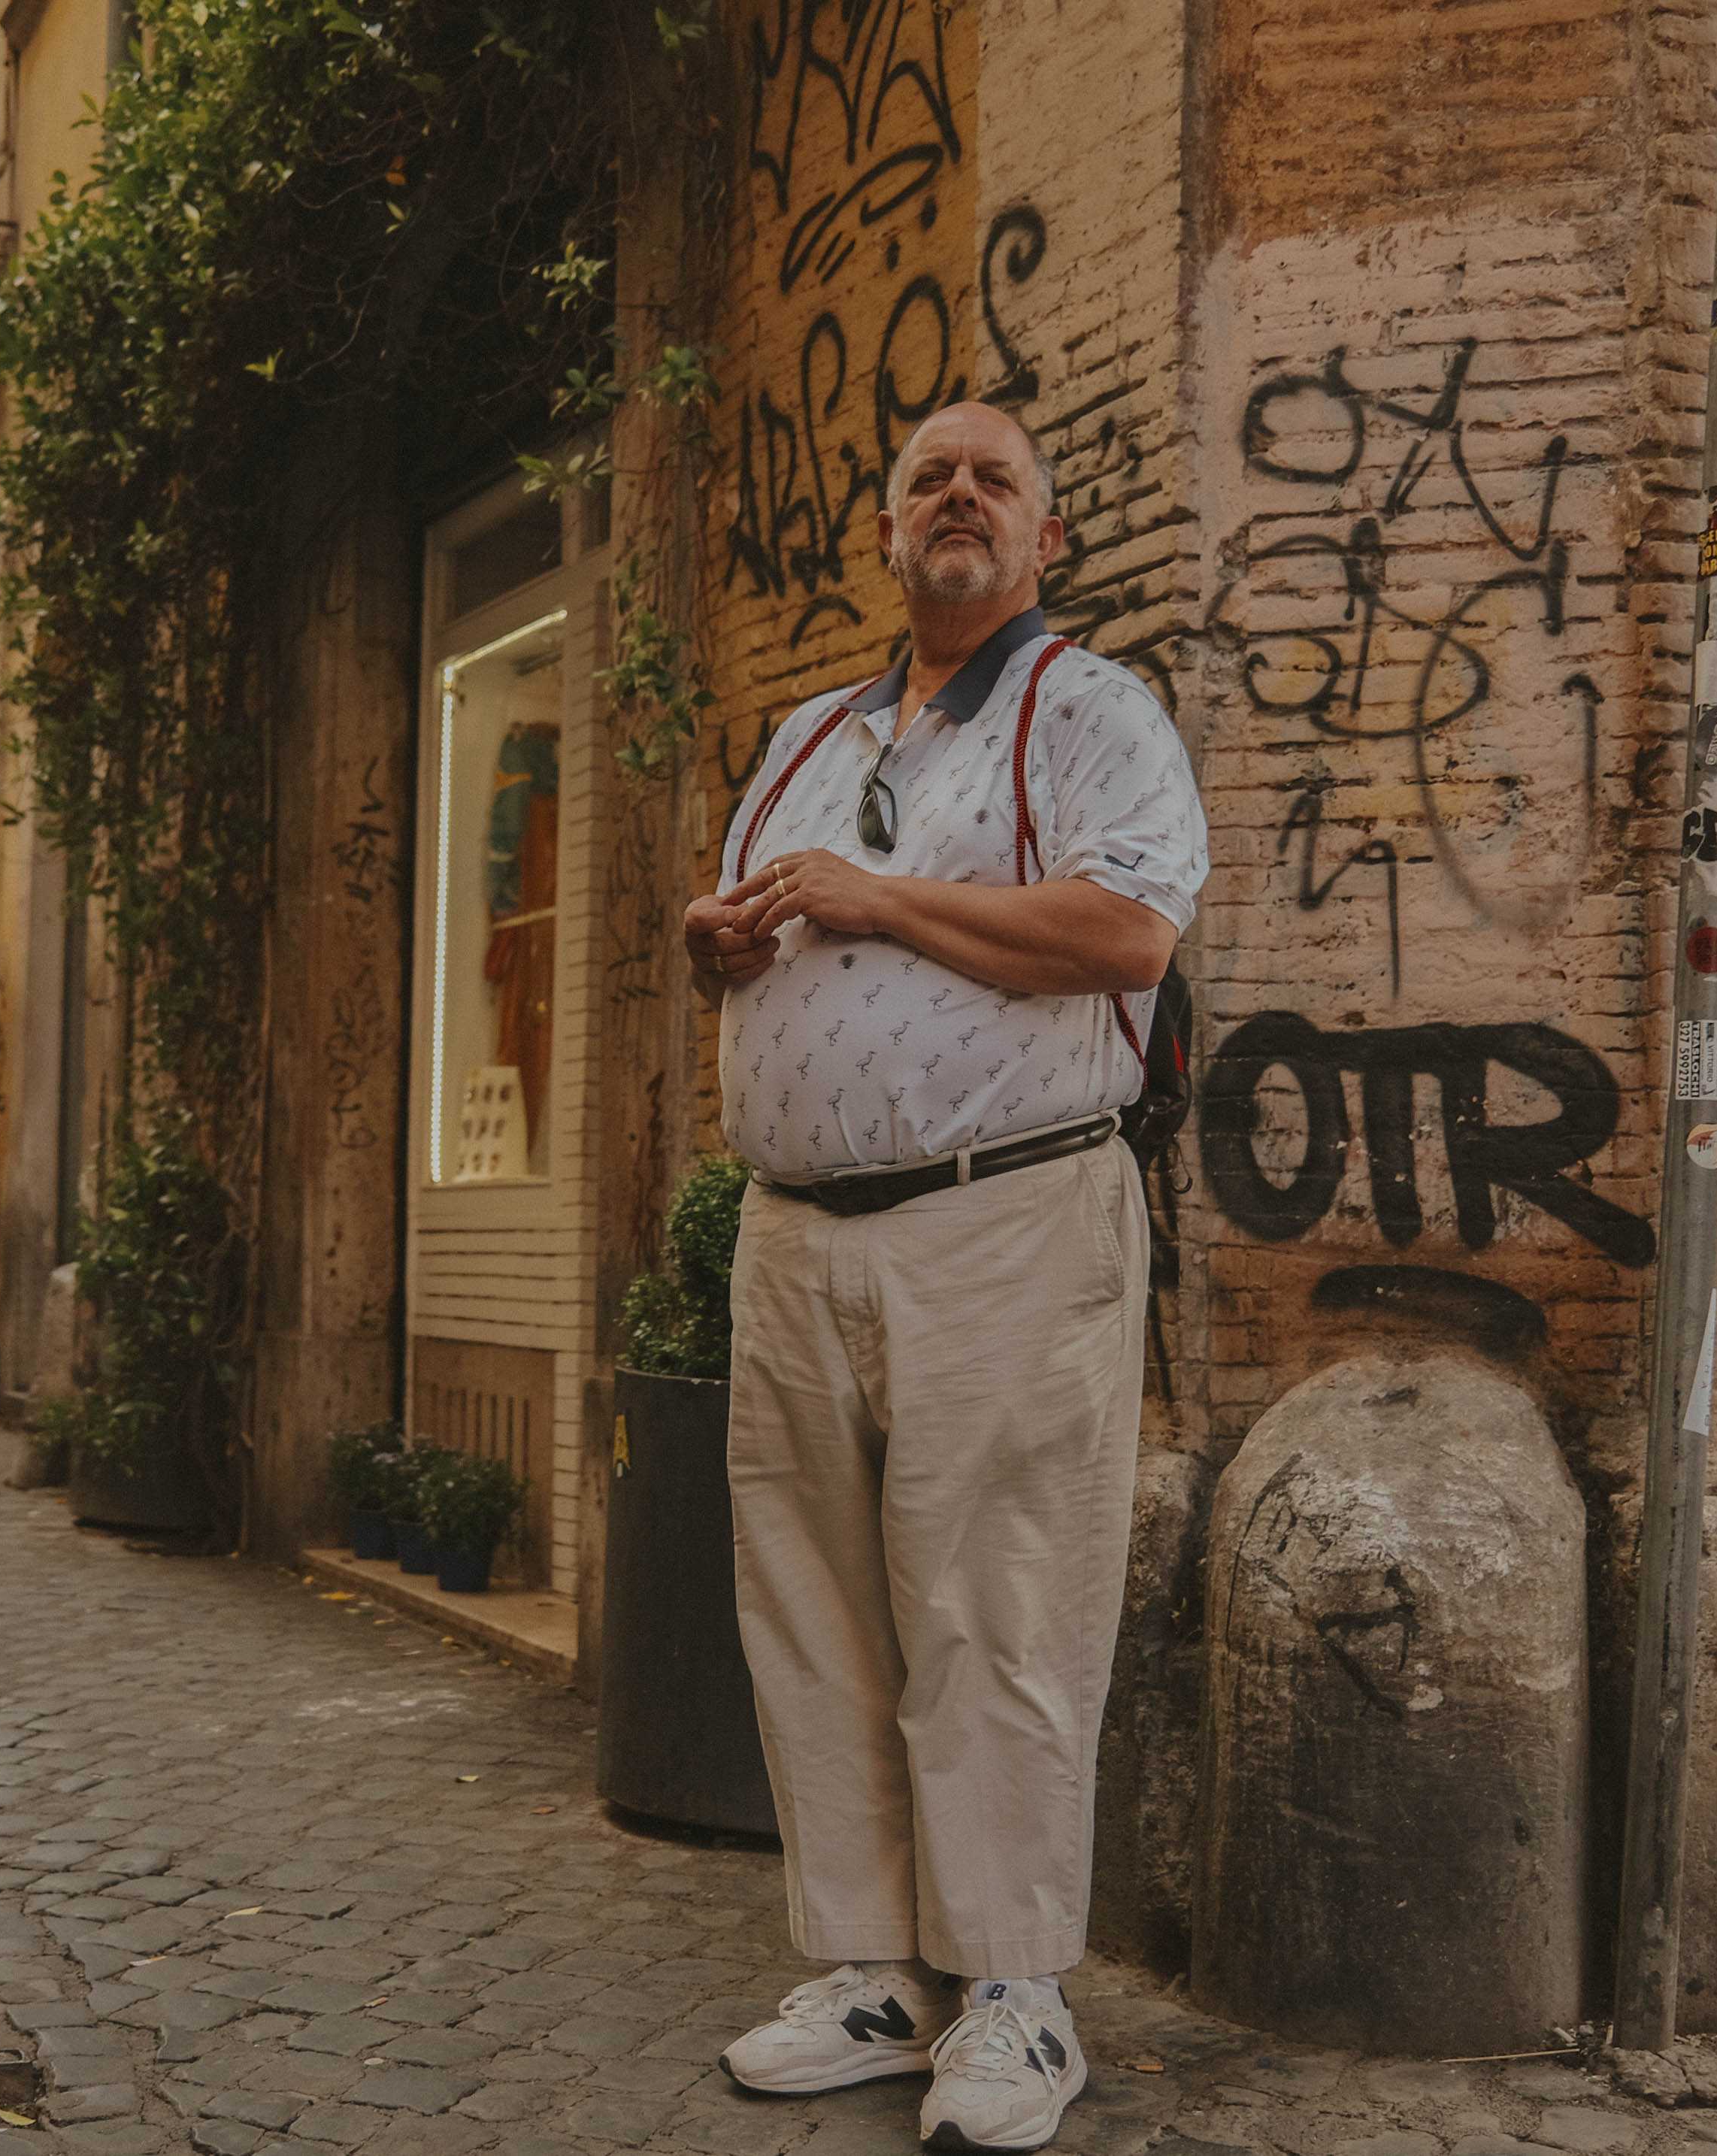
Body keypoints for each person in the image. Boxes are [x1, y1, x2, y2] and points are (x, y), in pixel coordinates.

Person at [683, 401, 1208, 2153]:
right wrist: (722, 941)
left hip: (1003, 1214)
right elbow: (761, 927)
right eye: (928, 477)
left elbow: (1126, 933)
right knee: (814, 1607)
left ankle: (1010, 1991)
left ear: (1040, 542)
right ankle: (866, 1969)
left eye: (994, 478)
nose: (959, 497)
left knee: (995, 1606)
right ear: (888, 534)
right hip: (797, 1228)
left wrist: (875, 899)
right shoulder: (808, 732)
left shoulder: (1089, 706)